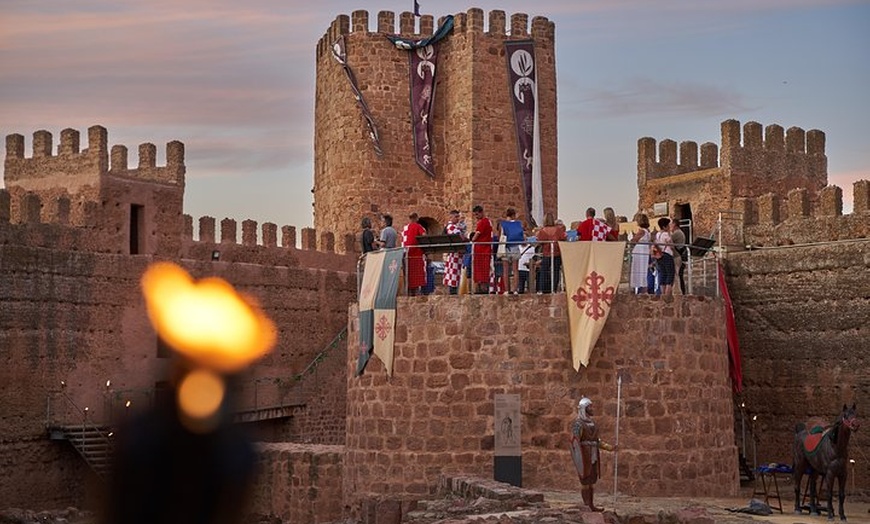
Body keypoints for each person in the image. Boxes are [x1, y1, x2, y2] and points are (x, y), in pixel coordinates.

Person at [569, 397, 617, 512]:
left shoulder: (593, 424)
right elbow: (574, 442)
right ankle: (586, 506)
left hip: (593, 454)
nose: (592, 409)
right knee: (585, 481)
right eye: (589, 407)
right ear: (584, 409)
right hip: (585, 455)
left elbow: (597, 441)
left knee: (591, 481)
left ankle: (591, 505)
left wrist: (610, 448)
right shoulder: (578, 424)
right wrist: (579, 458)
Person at [535, 212, 566, 293]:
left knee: (543, 272)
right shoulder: (558, 230)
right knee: (556, 271)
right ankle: (554, 289)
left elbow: (539, 241)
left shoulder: (542, 231)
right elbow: (563, 238)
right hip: (557, 253)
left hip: (547, 253)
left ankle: (543, 289)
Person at [498, 208, 525, 294]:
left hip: (505, 247)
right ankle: (515, 290)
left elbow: (500, 236)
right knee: (515, 270)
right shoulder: (518, 224)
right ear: (514, 215)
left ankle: (506, 290)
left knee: (505, 270)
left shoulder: (503, 224)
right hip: (515, 247)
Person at [469, 205, 493, 294]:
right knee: (481, 272)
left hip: (482, 250)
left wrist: (471, 240)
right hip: (482, 250)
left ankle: (481, 290)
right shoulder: (487, 222)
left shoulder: (483, 222)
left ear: (481, 212)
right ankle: (480, 289)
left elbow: (476, 236)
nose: (476, 217)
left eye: (477, 214)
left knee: (481, 272)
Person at [402, 212, 427, 296]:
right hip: (417, 254)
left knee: (409, 276)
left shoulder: (405, 228)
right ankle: (417, 295)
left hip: (407, 254)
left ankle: (409, 294)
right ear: (416, 218)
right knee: (417, 277)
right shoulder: (419, 227)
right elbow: (424, 236)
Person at [443, 210, 464, 295]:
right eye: (456, 217)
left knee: (456, 273)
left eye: (458, 217)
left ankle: (455, 290)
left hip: (457, 254)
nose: (458, 219)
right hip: (454, 254)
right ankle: (453, 292)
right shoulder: (451, 227)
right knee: (453, 274)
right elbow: (460, 237)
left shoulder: (455, 227)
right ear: (451, 217)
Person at [653, 217, 675, 296]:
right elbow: (672, 245)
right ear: (664, 227)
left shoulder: (657, 234)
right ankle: (667, 294)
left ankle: (662, 293)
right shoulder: (666, 235)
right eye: (668, 225)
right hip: (667, 254)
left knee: (662, 273)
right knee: (670, 273)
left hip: (660, 255)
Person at [629, 213, 651, 294]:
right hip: (644, 251)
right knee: (643, 270)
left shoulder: (642, 231)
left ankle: (641, 289)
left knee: (639, 269)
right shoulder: (648, 231)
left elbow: (633, 240)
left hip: (640, 251)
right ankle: (642, 289)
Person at [669, 218, 688, 294]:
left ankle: (678, 292)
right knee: (679, 275)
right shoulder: (679, 232)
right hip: (678, 256)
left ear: (674, 224)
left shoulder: (677, 233)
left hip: (677, 256)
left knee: (677, 275)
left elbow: (668, 240)